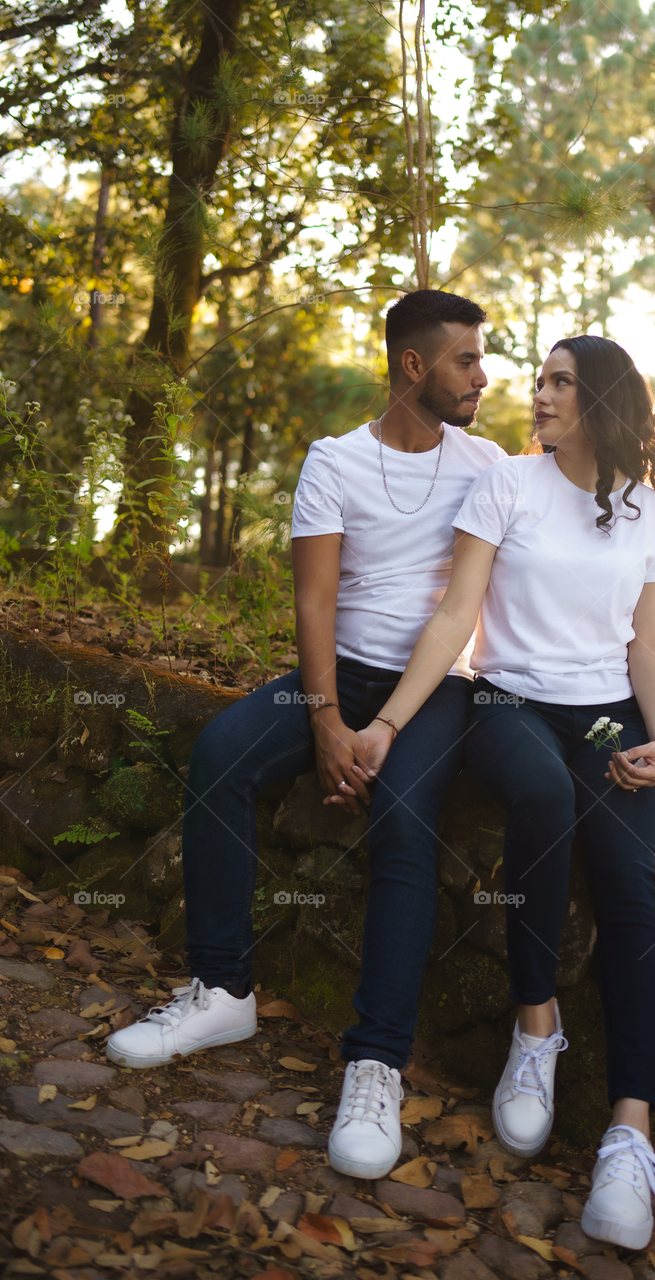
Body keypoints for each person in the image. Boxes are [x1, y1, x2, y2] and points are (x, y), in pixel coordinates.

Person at [105, 289, 503, 1179]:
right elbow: (315, 600)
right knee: (219, 755)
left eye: (481, 359)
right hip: (340, 674)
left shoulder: (489, 466)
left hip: (434, 688)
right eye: (466, 359)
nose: (483, 375)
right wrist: (324, 720)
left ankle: (375, 1060)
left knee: (404, 816)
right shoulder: (333, 461)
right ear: (413, 366)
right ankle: (222, 991)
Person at [345, 334, 655, 1249]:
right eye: (538, 380)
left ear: (603, 400)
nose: (538, 396)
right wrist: (385, 724)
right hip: (508, 701)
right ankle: (537, 1026)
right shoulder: (509, 484)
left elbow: (645, 648)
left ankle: (629, 1133)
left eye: (559, 383)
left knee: (627, 884)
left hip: (607, 713)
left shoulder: (651, 511)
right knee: (539, 789)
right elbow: (459, 611)